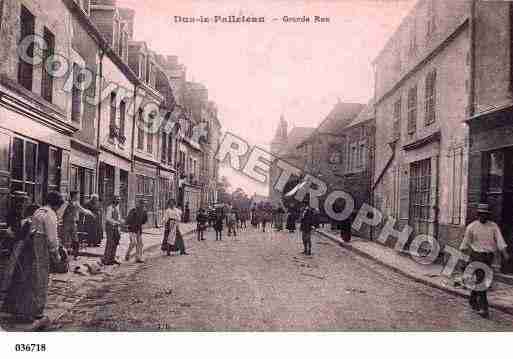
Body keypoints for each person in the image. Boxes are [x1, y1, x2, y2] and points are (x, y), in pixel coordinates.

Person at [1, 191, 63, 329]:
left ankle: (26, 309)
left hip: (29, 250)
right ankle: (37, 312)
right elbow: (52, 239)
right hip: (41, 250)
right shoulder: (50, 215)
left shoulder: (38, 212)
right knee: (41, 279)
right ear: (56, 204)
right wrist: (56, 255)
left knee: (30, 279)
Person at [460, 203, 509, 318]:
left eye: (485, 214)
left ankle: (472, 299)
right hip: (476, 256)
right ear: (478, 214)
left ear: (488, 215)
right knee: (483, 281)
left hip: (488, 257)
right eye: (481, 214)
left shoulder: (493, 227)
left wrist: (505, 254)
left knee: (482, 280)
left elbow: (500, 241)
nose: (483, 216)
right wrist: (463, 259)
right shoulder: (471, 227)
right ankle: (484, 308)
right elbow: (465, 244)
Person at [61, 191, 95, 259]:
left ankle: (75, 255)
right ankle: (64, 255)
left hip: (73, 223)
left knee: (75, 239)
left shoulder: (76, 203)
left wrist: (90, 213)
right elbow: (61, 212)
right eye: (77, 195)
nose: (78, 197)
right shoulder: (67, 203)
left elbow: (82, 210)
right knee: (65, 239)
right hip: (66, 223)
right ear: (73, 196)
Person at [102, 197, 122, 265]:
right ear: (114, 200)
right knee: (110, 243)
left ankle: (112, 259)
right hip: (110, 227)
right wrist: (116, 222)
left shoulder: (117, 208)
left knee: (115, 243)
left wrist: (121, 221)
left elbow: (118, 218)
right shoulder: (110, 208)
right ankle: (106, 259)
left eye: (119, 200)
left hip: (115, 228)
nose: (118, 202)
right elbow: (108, 218)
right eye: (117, 200)